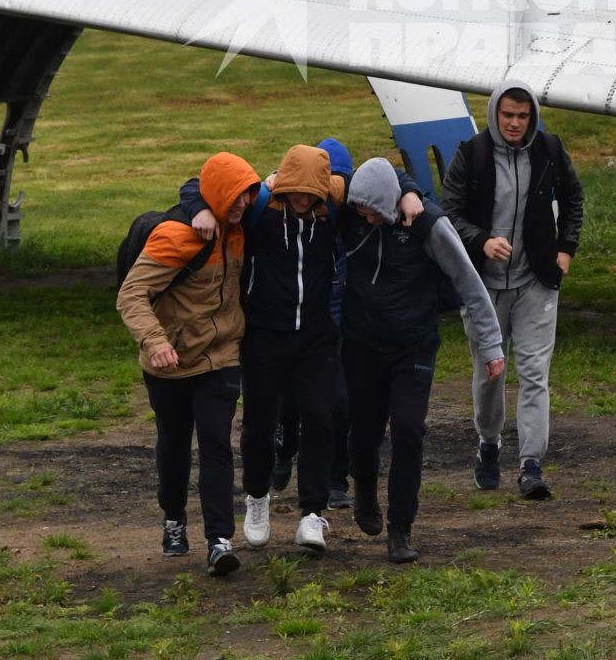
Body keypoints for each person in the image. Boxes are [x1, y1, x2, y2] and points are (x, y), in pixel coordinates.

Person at [182, 139, 393, 512]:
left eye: (311, 194)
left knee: (321, 418)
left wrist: (407, 193)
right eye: (296, 192)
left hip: (316, 335)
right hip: (264, 334)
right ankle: (258, 496)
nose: (302, 200)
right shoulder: (259, 207)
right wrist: (199, 208)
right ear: (283, 185)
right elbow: (199, 184)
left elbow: (384, 177)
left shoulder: (333, 202)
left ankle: (313, 510)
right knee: (260, 426)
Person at [339, 157, 505, 562]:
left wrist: (492, 345)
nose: (364, 216)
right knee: (364, 431)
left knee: (410, 429)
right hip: (361, 343)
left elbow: (468, 281)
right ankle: (363, 486)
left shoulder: (427, 225)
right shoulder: (349, 211)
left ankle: (401, 528)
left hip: (412, 345)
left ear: (392, 206)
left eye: (372, 211)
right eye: (359, 209)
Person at [116, 150, 260, 578]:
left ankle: (219, 540)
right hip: (171, 361)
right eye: (233, 198)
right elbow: (131, 295)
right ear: (215, 195)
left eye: (247, 196)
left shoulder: (239, 228)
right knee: (174, 444)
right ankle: (174, 518)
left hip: (221, 357)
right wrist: (155, 342)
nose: (242, 205)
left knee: (216, 442)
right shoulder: (175, 236)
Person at [442, 81, 584, 501]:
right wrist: (482, 240)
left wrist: (565, 251)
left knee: (535, 374)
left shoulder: (550, 150)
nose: (515, 124)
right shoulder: (472, 155)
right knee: (492, 373)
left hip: (537, 281)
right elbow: (449, 212)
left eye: (523, 116)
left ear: (533, 116)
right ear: (495, 114)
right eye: (508, 115)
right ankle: (488, 443)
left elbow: (574, 198)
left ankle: (531, 465)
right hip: (483, 285)